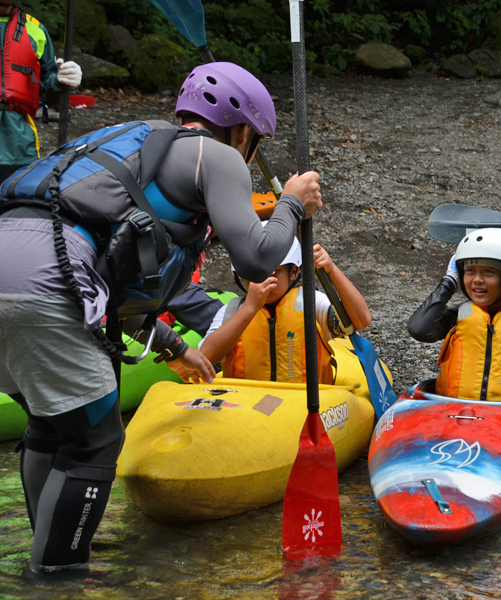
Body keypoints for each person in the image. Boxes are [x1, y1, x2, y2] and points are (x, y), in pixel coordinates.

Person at [0, 62, 322, 573]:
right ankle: (57, 578)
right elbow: (259, 258)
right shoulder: (217, 154)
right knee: (96, 441)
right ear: (242, 131)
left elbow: (122, 290)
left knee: (52, 422)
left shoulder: (134, 151)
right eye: (254, 139)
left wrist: (177, 348)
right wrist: (292, 204)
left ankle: (45, 552)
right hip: (48, 281)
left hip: (13, 261)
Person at [408, 228, 501, 401]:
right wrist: (448, 283)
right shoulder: (458, 315)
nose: (477, 279)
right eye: (469, 270)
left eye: (489, 271)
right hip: (455, 410)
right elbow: (419, 330)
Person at [200, 237, 371, 382]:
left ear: (294, 272)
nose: (262, 280)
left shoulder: (310, 302)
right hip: (246, 406)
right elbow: (204, 358)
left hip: (304, 405)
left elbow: (362, 319)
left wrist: (331, 270)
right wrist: (250, 308)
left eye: (273, 272)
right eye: (252, 274)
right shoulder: (231, 311)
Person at [0, 0, 82, 182]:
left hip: (19, 141)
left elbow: (49, 88)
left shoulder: (35, 30)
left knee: (16, 204)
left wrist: (65, 80)